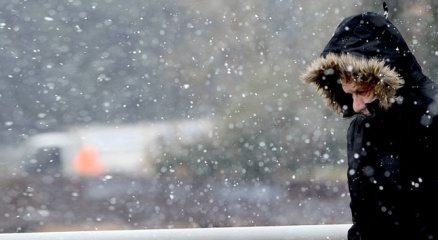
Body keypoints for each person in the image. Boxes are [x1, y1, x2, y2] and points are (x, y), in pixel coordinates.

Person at [301, 9, 438, 240]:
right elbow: (366, 221)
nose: (355, 106)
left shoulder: (431, 120)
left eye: (362, 92)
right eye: (348, 94)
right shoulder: (361, 129)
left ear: (385, 79)